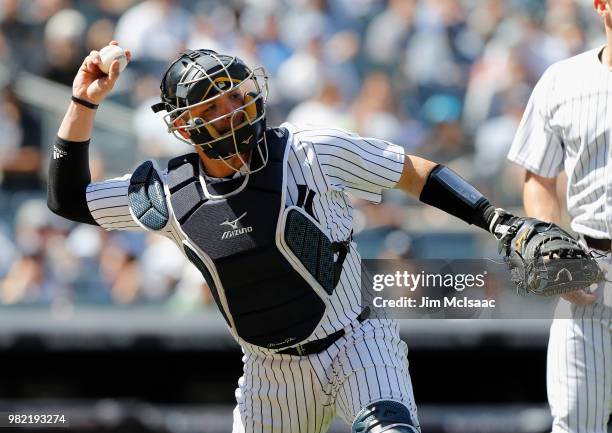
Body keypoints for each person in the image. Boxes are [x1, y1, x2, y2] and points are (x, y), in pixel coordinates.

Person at [48, 41, 568, 433]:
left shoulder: (310, 150)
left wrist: (500, 222)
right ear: (183, 126)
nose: (230, 112)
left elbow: (415, 173)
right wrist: (83, 101)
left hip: (356, 343)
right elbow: (69, 200)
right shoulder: (168, 193)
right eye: (209, 108)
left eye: (234, 96)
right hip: (267, 374)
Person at [507, 1, 612, 432]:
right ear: (601, 5)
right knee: (575, 424)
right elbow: (539, 178)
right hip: (592, 272)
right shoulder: (564, 80)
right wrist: (554, 251)